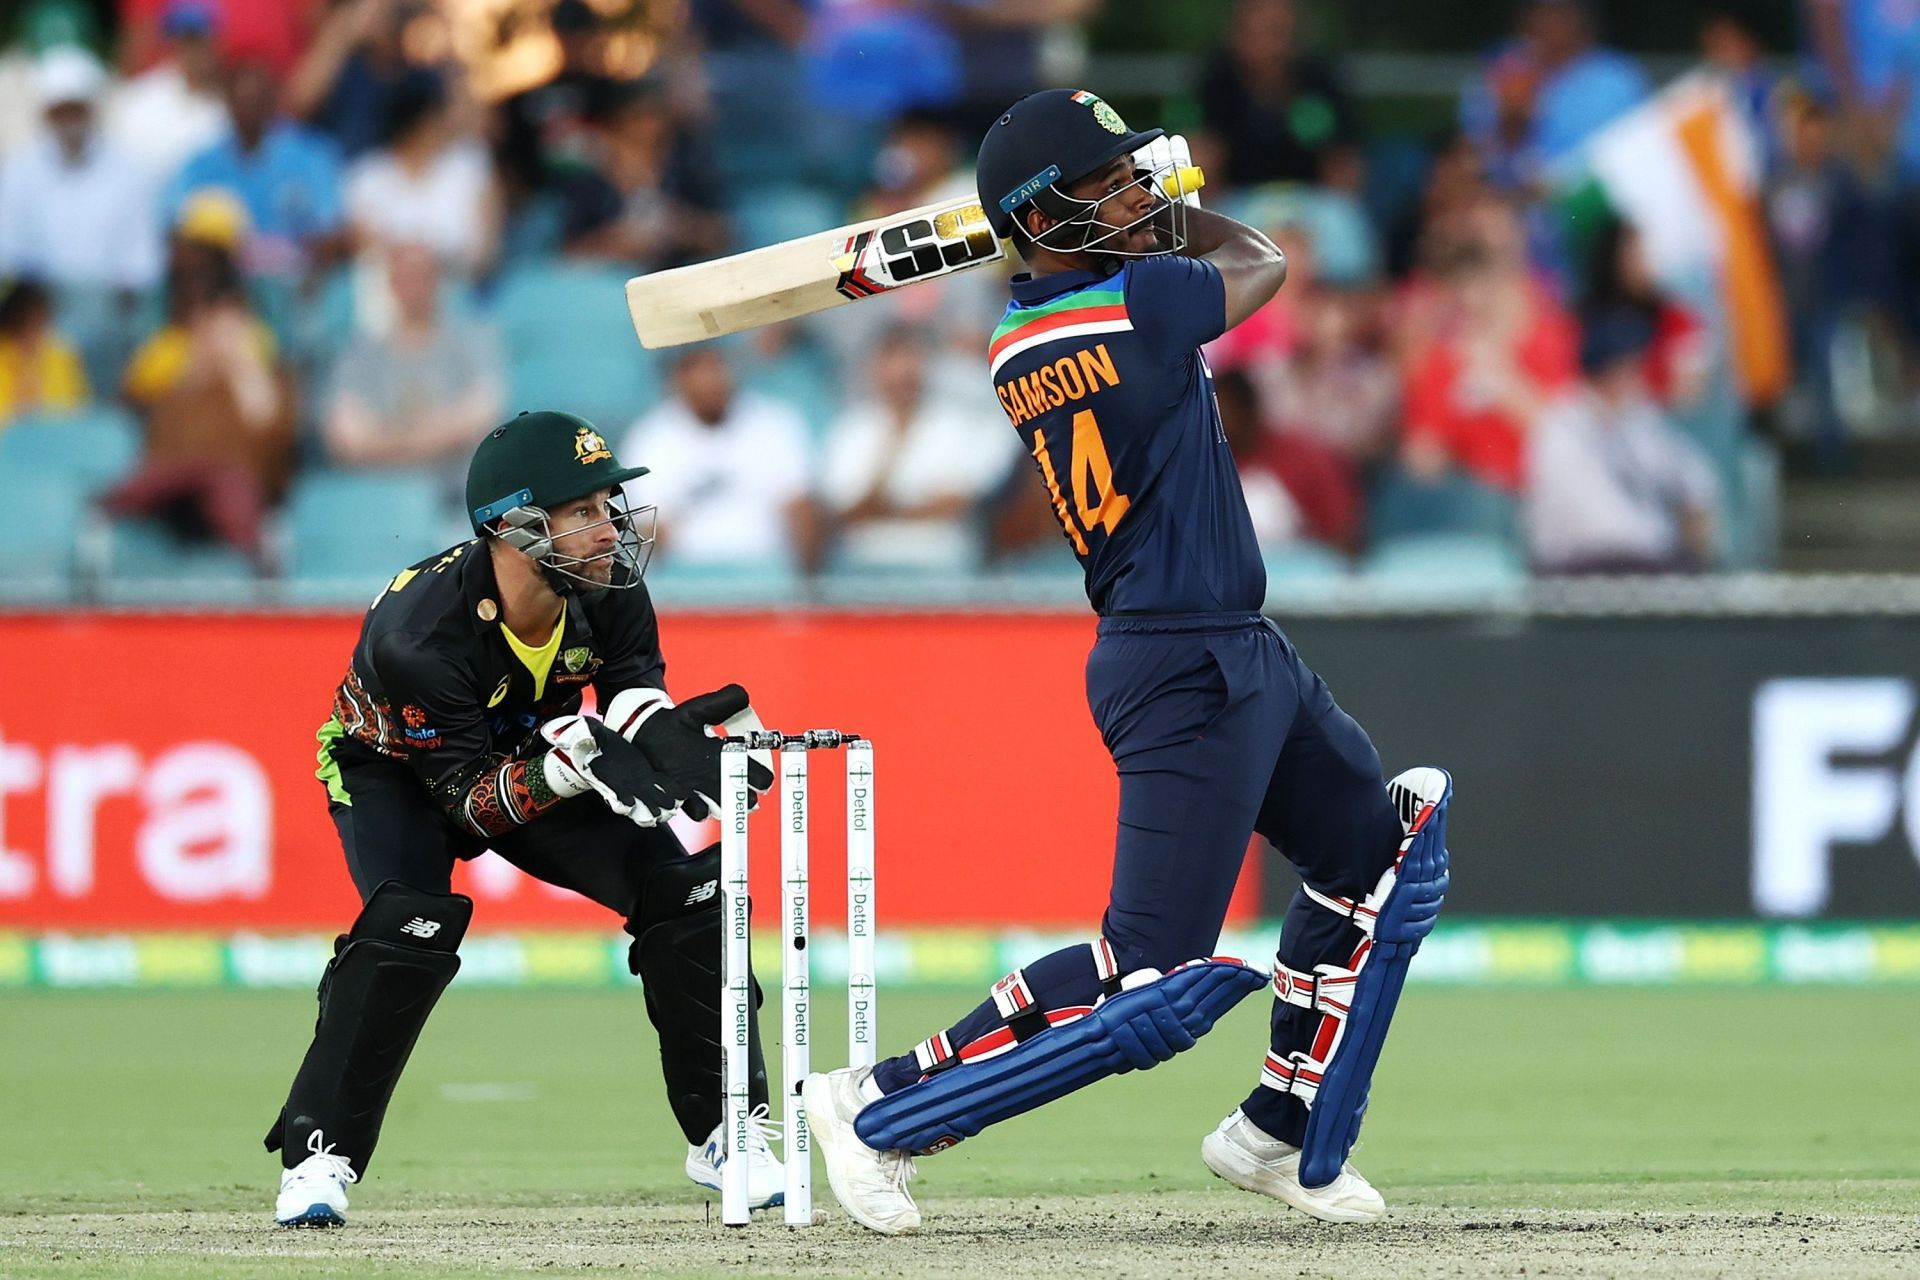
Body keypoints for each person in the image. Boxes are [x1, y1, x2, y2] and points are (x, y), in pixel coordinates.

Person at [802, 88, 1452, 1234]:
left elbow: (1115, 265)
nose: (1139, 198)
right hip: (1179, 661)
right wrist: (1181, 213)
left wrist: (1115, 208)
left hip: (1230, 645)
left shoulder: (1020, 334)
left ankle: (1276, 1126)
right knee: (1144, 973)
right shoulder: (1144, 302)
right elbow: (1262, 260)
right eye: (1108, 185)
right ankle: (872, 1101)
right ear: (1043, 218)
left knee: (1376, 859)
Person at [269, 410, 783, 1228]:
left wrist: (666, 736)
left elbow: (631, 692)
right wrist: (569, 762)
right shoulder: (419, 634)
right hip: (393, 769)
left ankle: (729, 1132)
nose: (609, 526)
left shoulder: (607, 581)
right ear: (512, 525)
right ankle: (317, 1155)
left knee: (688, 890)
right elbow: (467, 803)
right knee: (409, 924)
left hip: (528, 747)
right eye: (581, 510)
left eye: (609, 504)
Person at [101, 198, 296, 563]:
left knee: (225, 483)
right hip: (174, 502)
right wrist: (193, 375)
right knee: (176, 478)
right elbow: (154, 441)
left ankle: (257, 562)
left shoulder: (266, 370)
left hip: (237, 494)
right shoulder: (177, 378)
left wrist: (242, 369)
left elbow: (272, 439)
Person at [1527, 312, 1719, 573]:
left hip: (1641, 562)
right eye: (1628, 367)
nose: (1637, 375)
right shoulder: (1562, 428)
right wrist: (1666, 546)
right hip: (1578, 567)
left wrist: (1695, 514)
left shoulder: (1637, 418)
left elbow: (1695, 477)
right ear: (1608, 371)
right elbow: (1606, 525)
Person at [618, 347, 819, 574]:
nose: (710, 382)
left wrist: (805, 583)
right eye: (697, 373)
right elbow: (650, 530)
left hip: (765, 567)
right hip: (686, 573)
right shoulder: (650, 438)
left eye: (715, 370)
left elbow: (801, 507)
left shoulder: (775, 424)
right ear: (677, 381)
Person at [322, 242, 503, 478]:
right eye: (406, 277)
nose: (415, 288)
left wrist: (388, 439)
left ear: (438, 282)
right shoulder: (361, 353)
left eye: (423, 277)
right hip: (382, 487)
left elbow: (482, 413)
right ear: (391, 283)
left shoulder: (472, 342)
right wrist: (425, 437)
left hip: (457, 489)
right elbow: (345, 433)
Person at [0, 46, 163, 292]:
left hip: (109, 313)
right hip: (35, 310)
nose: (69, 121)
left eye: (76, 111)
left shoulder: (127, 172)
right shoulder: (20, 171)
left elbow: (141, 262)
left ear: (92, 110)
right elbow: (9, 250)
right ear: (46, 114)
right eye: (60, 112)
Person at [0, 277, 89, 425]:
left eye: (39, 316)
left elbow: (79, 408)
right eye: (26, 317)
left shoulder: (62, 352)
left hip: (53, 439)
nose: (33, 323)